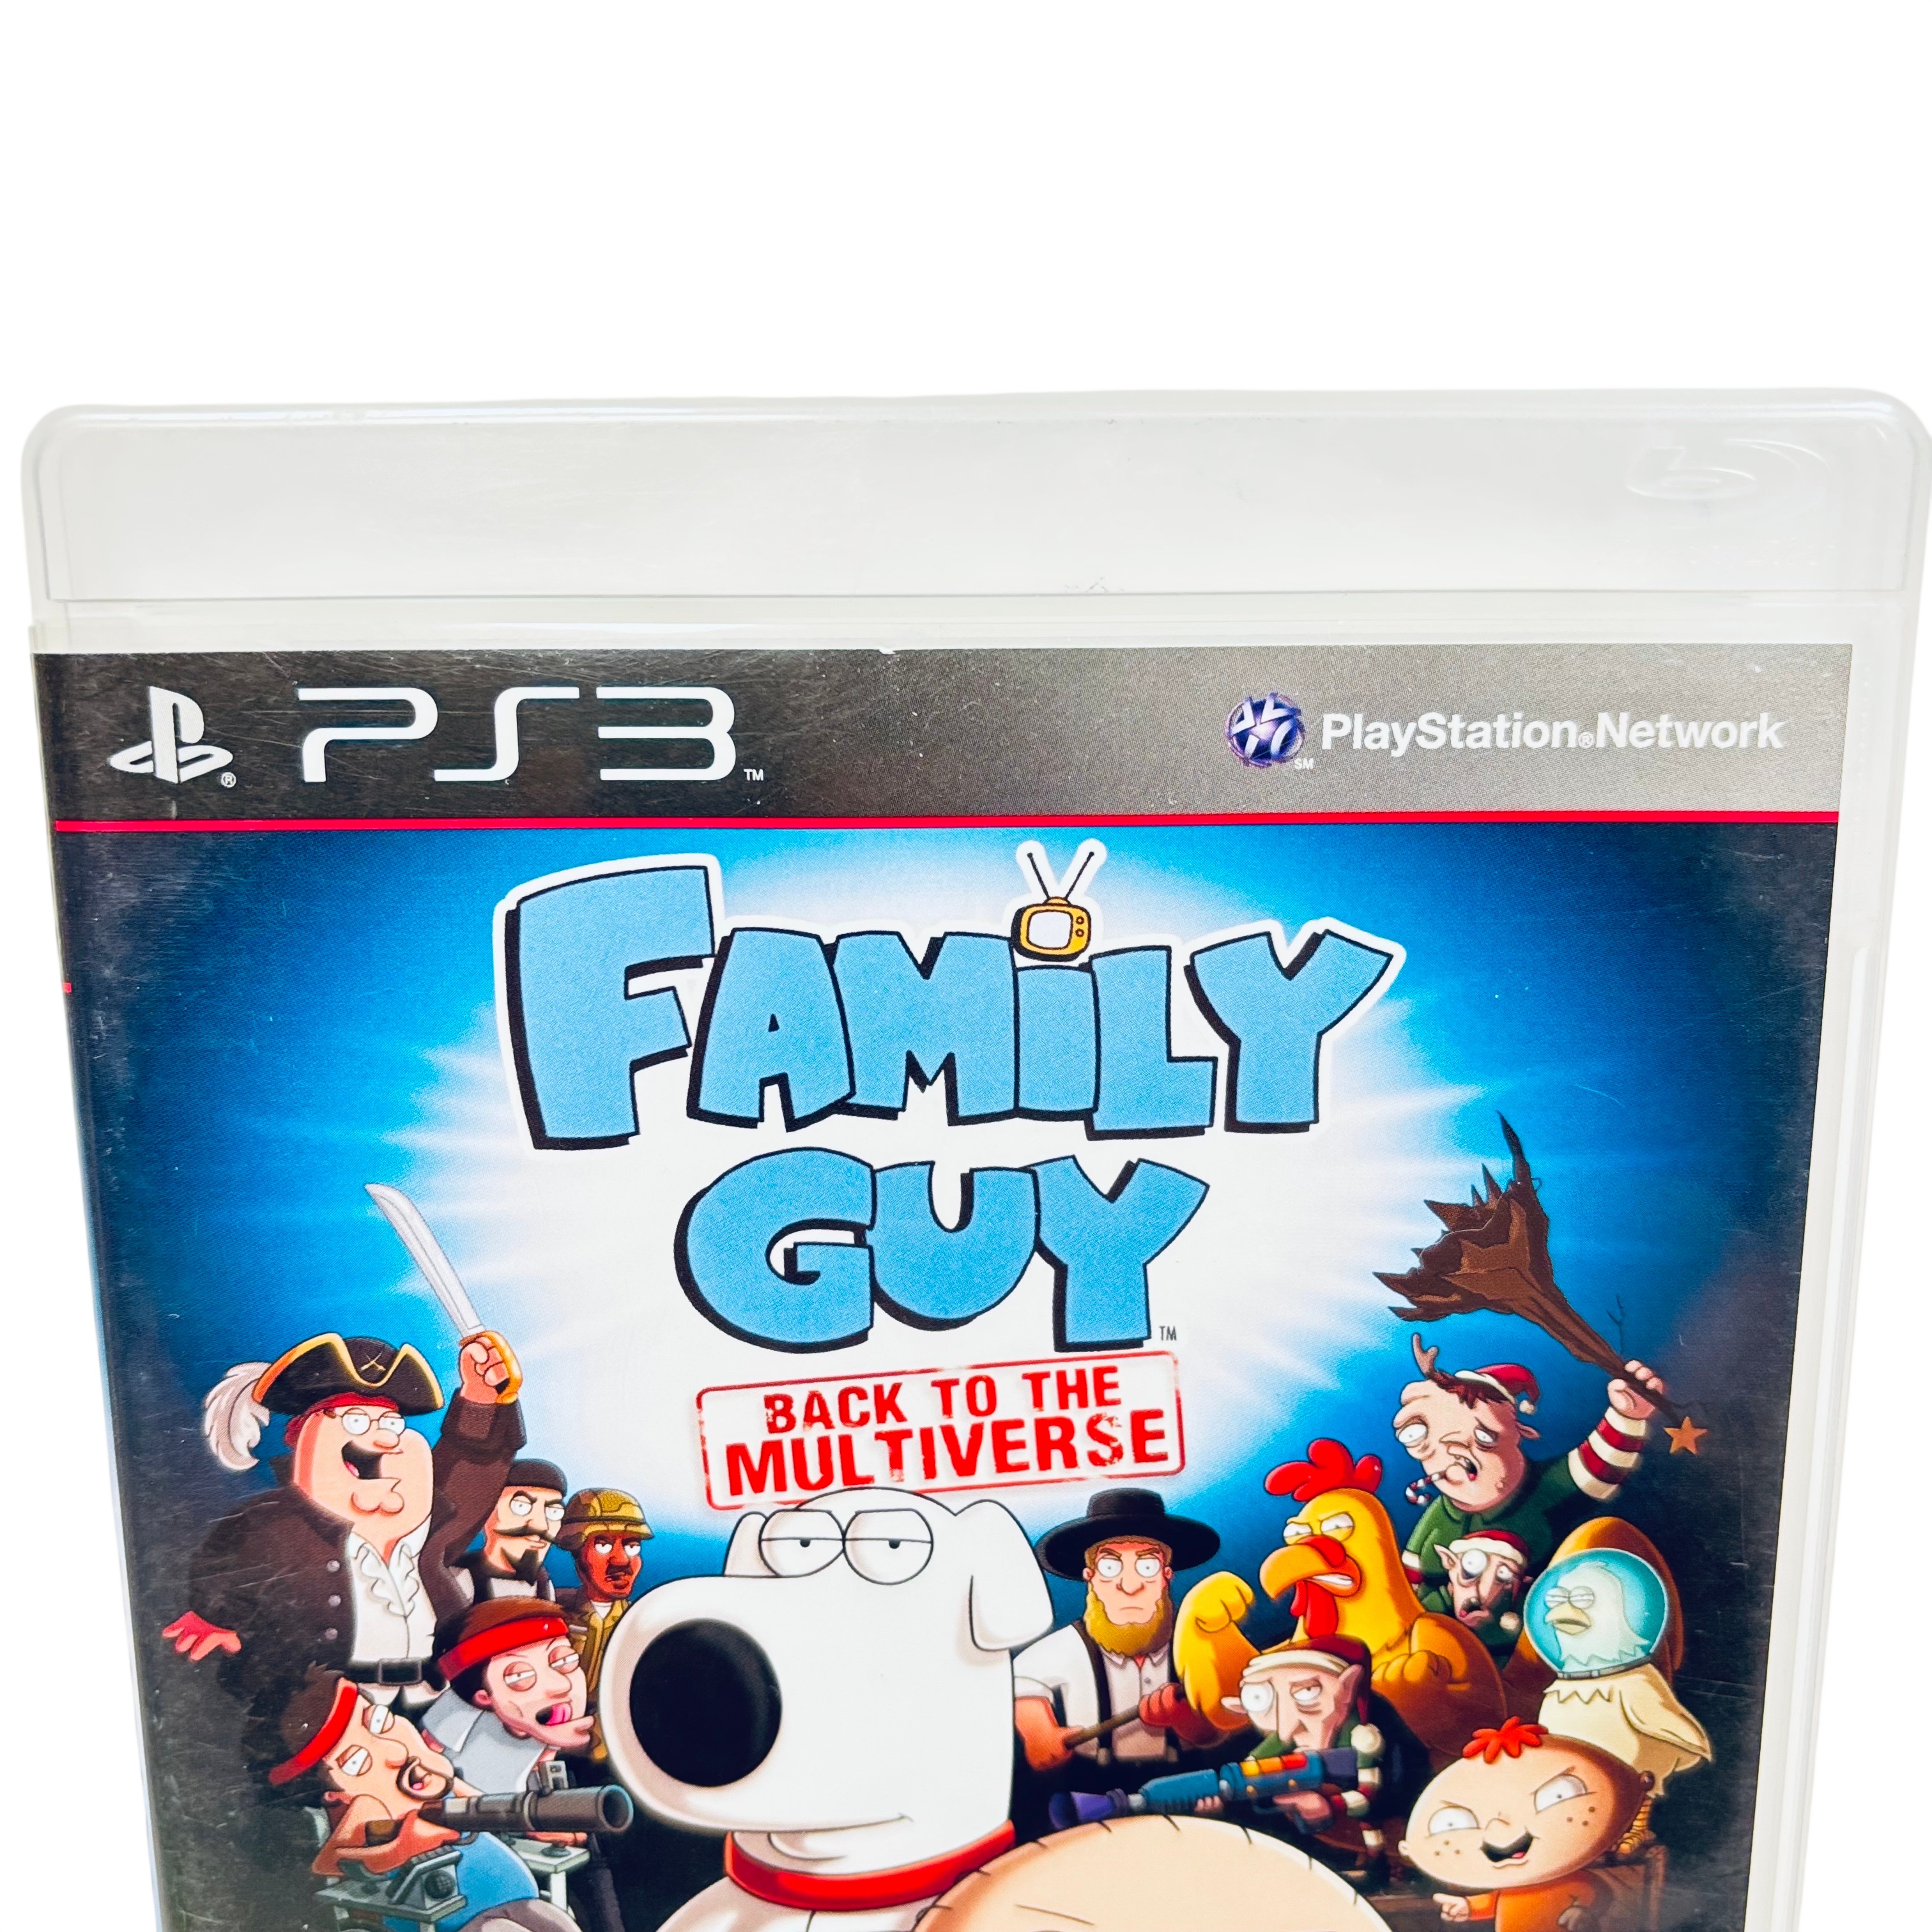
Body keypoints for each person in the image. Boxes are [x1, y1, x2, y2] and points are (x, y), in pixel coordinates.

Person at [165, 1328, 526, 1713]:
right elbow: (226, 1580)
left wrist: (481, 1401)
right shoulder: (270, 1526)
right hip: (339, 1719)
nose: (385, 1440)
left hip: (438, 1703)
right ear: (303, 1438)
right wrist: (218, 1617)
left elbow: (468, 1475)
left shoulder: (421, 1523)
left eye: (391, 1423)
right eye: (356, 1421)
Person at [1390, 1345, 1667, 1656]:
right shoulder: (1438, 1519)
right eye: (1434, 1446)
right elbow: (1410, 1582)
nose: (1455, 1456)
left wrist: (1627, 1416)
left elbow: (1596, 1469)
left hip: (1540, 1648)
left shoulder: (1542, 1490)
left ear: (1518, 1436)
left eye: (1483, 1439)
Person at [254, 1667, 577, 1931]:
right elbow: (331, 1863)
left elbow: (494, 1809)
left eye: (379, 1722)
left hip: (514, 1894)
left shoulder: (438, 1780)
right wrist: (403, 1845)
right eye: (357, 1761)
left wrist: (538, 1823)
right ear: (335, 1793)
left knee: (556, 1923)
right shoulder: (368, 1809)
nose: (395, 1752)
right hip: (448, 1919)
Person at [1011, 1489, 1225, 1800]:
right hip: (1093, 1792)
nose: (1130, 1585)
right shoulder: (1069, 1647)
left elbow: (1225, 1721)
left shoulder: (1199, 1639)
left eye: (1147, 1566)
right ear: (1090, 1576)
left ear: (1166, 1575)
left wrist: (1186, 1721)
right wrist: (1037, 1731)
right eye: (1110, 1567)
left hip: (1190, 1785)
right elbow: (1021, 1682)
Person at [1399, 1717, 1649, 1931]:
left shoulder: (1573, 1882)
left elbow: (1597, 1895)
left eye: (1558, 1795)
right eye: (1453, 1822)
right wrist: (1467, 1907)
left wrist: (1580, 1914)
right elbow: (1492, 1903)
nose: (1502, 1828)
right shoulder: (1511, 1887)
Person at [1218, 1636, 1430, 1887]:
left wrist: (1329, 1804)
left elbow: (1368, 1795)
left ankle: (1387, 1865)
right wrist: (1221, 1794)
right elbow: (1249, 1772)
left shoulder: (1366, 1734)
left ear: (1348, 1687)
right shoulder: (1287, 1731)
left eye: (1307, 1692)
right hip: (1336, 1826)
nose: (1288, 1726)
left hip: (1402, 1802)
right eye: (1260, 1698)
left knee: (1380, 1826)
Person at [422, 1597, 595, 1794]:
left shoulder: (550, 1723)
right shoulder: (458, 1710)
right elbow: (424, 1756)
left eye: (566, 1661)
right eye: (521, 1677)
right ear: (483, 1697)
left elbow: (544, 1762)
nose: (561, 1685)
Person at [556, 1487, 652, 1712]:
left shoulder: (641, 1623)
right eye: (603, 1545)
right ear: (577, 1552)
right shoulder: (551, 1612)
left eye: (632, 1546)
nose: (621, 1560)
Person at [456, 1459, 569, 1604]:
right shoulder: (458, 1579)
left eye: (554, 1512)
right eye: (521, 1506)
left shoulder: (544, 1585)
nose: (541, 1525)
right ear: (486, 1512)